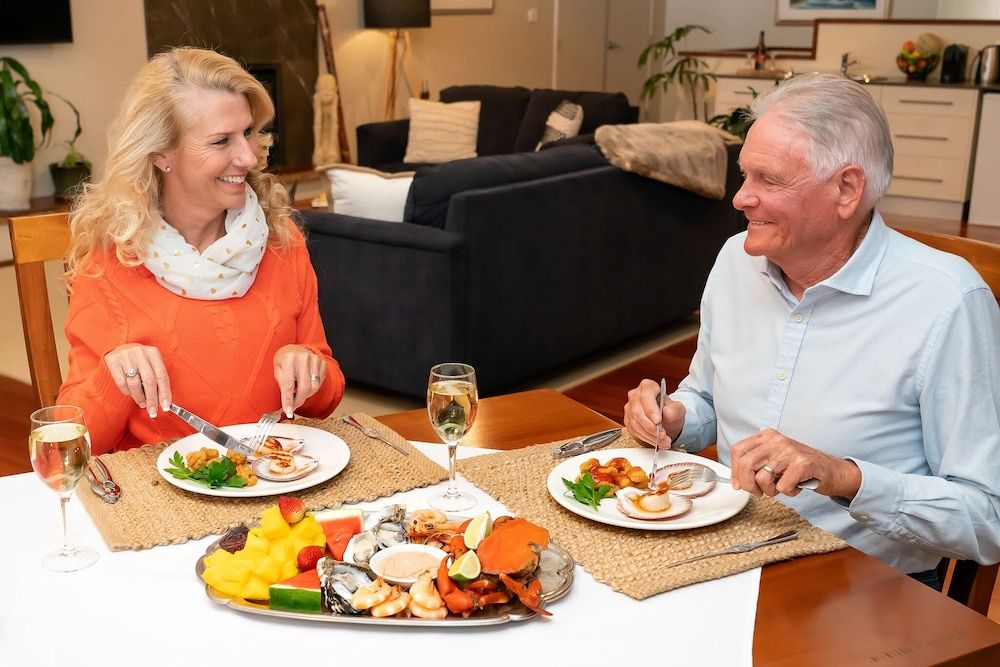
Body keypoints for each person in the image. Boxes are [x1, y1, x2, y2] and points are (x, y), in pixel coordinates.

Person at [623, 73, 1000, 582]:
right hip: (724, 553)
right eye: (744, 175)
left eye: (768, 180)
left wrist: (844, 477)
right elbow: (708, 398)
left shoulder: (947, 300)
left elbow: (988, 517)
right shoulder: (736, 260)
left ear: (847, 189)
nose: (739, 198)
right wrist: (674, 418)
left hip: (860, 587)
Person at [59, 47, 345, 455]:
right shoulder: (110, 263)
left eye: (248, 132)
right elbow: (77, 441)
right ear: (161, 154)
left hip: (274, 482)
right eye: (221, 140)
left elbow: (326, 398)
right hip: (159, 499)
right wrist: (113, 374)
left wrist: (311, 371)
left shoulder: (281, 241)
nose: (248, 156)